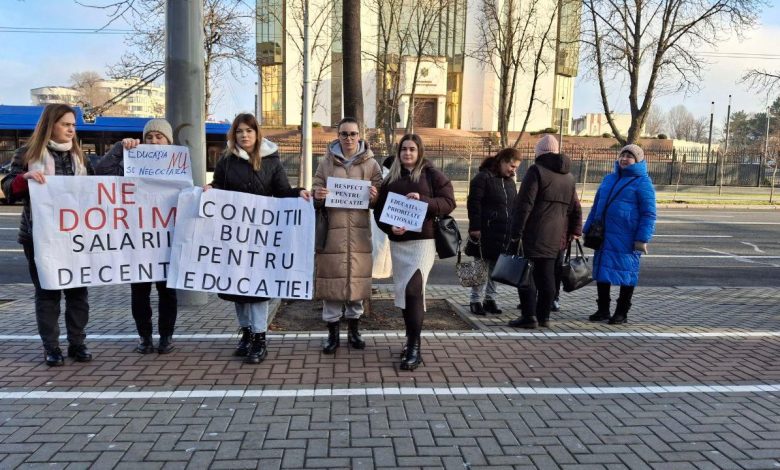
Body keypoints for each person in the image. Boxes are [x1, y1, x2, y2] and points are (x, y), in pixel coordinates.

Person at [205, 113, 310, 363]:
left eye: (249, 130)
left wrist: (299, 193)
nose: (244, 135)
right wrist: (211, 189)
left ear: (257, 133)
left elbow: (282, 191)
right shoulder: (226, 160)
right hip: (234, 237)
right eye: (240, 131)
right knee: (236, 287)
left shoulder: (271, 161)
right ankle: (246, 333)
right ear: (234, 134)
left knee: (258, 289)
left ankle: (260, 339)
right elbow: (219, 187)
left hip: (261, 238)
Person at [0, 104, 94, 366]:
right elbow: (8, 187)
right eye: (66, 124)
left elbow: (96, 188)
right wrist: (24, 178)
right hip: (39, 237)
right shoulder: (27, 153)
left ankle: (77, 343)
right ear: (50, 125)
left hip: (75, 236)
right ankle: (51, 348)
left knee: (78, 292)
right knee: (48, 293)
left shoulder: (79, 156)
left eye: (73, 125)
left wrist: (123, 148)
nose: (71, 130)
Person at [94, 118, 180, 354]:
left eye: (159, 137)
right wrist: (119, 149)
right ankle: (145, 337)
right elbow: (102, 171)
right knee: (139, 293)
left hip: (166, 240)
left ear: (168, 141)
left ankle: (166, 337)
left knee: (167, 293)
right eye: (149, 137)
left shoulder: (178, 165)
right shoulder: (129, 165)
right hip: (138, 240)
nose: (154, 141)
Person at [374, 134, 456, 370]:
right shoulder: (391, 178)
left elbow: (449, 202)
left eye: (412, 149)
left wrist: (424, 200)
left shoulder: (432, 174)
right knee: (406, 295)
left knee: (413, 290)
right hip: (399, 244)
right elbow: (379, 212)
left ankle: (414, 347)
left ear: (419, 151)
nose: (407, 153)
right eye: (404, 149)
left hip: (423, 242)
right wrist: (390, 228)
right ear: (399, 152)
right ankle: (410, 339)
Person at [312, 117, 382, 354]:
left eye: (353, 134)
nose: (349, 138)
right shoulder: (326, 163)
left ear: (359, 136)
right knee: (332, 282)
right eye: (344, 134)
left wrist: (374, 196)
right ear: (338, 136)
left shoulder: (371, 164)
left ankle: (354, 330)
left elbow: (380, 196)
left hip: (359, 234)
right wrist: (318, 194)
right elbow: (316, 187)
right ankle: (332, 334)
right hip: (332, 232)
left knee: (356, 283)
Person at [508, 134, 581, 329]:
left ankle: (529, 316)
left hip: (533, 232)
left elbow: (525, 204)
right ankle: (544, 317)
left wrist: (516, 232)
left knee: (527, 275)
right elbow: (574, 207)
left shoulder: (536, 171)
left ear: (539, 153)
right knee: (547, 276)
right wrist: (572, 229)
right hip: (556, 235)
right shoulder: (569, 177)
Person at [584, 144, 656, 324]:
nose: (624, 159)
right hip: (604, 235)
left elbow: (649, 214)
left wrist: (642, 238)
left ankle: (622, 311)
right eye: (622, 155)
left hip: (627, 237)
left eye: (629, 156)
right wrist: (587, 228)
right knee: (602, 271)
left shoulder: (643, 182)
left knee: (627, 273)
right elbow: (596, 206)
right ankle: (603, 309)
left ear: (637, 160)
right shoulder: (609, 179)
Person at [466, 148, 521, 315]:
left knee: (496, 267)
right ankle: (475, 300)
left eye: (516, 167)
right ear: (502, 161)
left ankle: (490, 299)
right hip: (485, 231)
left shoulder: (510, 182)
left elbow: (514, 205)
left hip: (504, 232)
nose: (513, 170)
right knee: (480, 266)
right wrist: (475, 227)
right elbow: (474, 204)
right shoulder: (483, 178)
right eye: (512, 166)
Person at [551, 190, 583, 312]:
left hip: (559, 236)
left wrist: (576, 231)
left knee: (556, 269)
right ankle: (544, 298)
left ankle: (553, 298)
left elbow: (577, 209)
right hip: (550, 235)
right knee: (543, 269)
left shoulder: (568, 184)